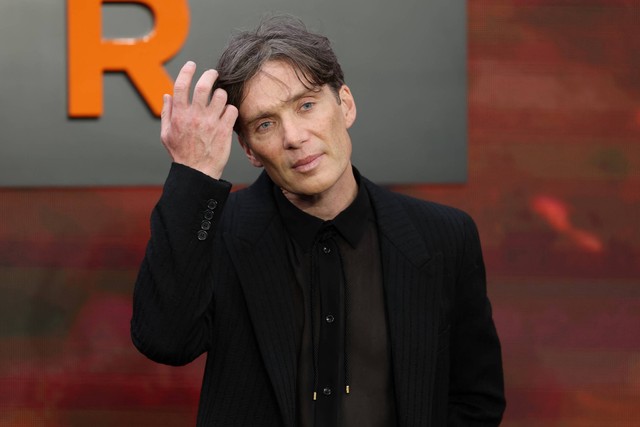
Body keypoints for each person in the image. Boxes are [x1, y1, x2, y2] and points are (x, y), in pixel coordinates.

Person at [131, 15, 505, 427]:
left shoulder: (444, 236)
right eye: (266, 124)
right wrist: (193, 175)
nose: (293, 136)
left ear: (345, 104)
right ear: (250, 149)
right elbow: (166, 341)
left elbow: (476, 400)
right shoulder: (216, 234)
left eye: (306, 105)